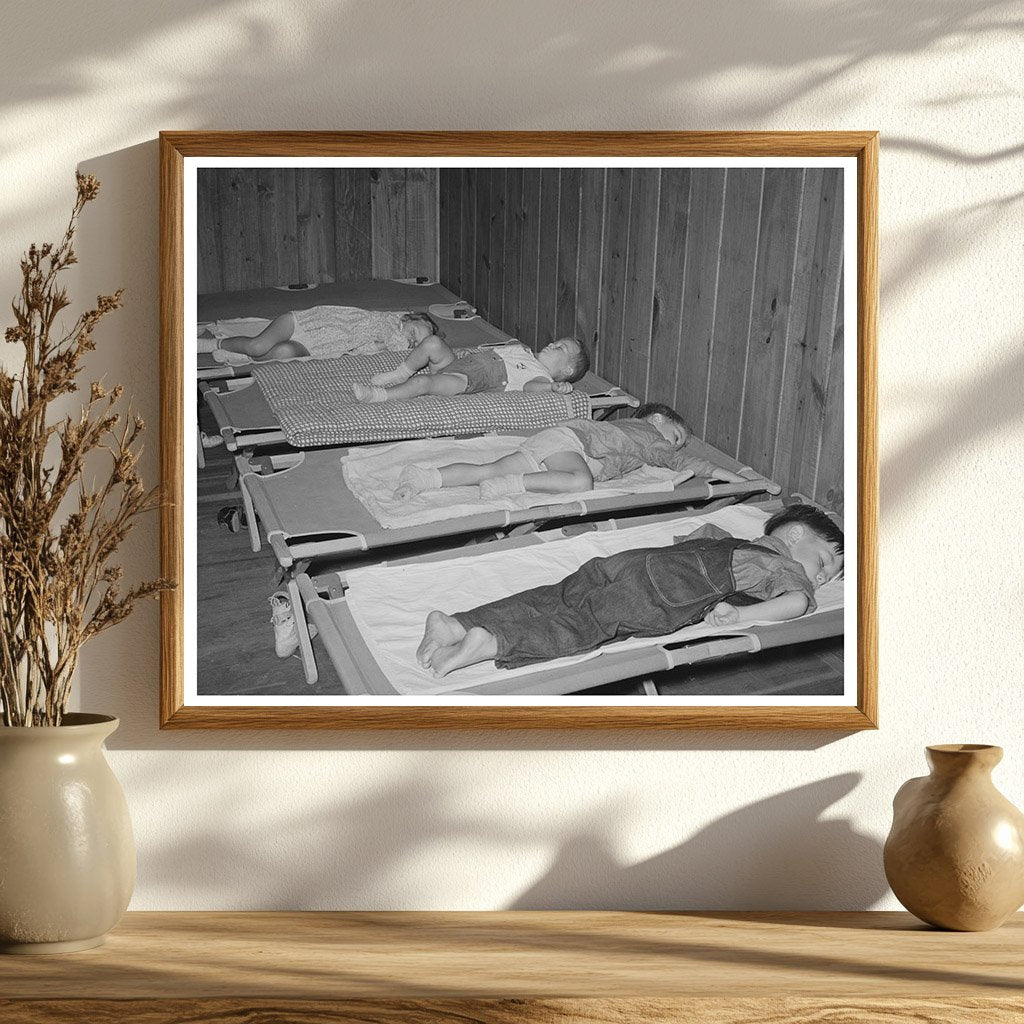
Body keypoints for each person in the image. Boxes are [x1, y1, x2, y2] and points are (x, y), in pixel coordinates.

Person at [416, 504, 844, 676]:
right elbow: (796, 602)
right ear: (794, 535)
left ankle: (456, 624)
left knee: (557, 595)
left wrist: (736, 600)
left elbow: (693, 544)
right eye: (825, 561)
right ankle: (491, 641)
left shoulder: (729, 537)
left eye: (829, 578)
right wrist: (745, 616)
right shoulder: (785, 567)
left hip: (636, 561)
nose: (820, 578)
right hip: (667, 592)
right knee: (585, 623)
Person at [393, 402, 758, 501]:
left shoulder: (637, 439)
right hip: (571, 443)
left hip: (554, 445)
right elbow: (675, 459)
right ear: (658, 419)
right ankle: (515, 484)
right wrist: (717, 471)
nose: (673, 444)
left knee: (486, 469)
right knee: (580, 483)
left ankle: (424, 478)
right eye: (676, 434)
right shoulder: (646, 433)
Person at [352, 336, 588, 403]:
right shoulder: (524, 351)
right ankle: (401, 372)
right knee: (433, 343)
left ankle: (378, 395)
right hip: (459, 364)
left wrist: (552, 387)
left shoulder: (539, 374)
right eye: (555, 341)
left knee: (423, 383)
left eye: (560, 348)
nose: (552, 343)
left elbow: (530, 388)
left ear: (566, 370)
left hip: (465, 380)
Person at [198, 307, 439, 364]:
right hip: (303, 324)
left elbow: (390, 349)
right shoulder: (388, 321)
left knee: (282, 353)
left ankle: (235, 354)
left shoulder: (387, 344)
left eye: (416, 342)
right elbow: (395, 340)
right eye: (414, 333)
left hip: (314, 348)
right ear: (407, 318)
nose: (411, 340)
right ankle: (210, 343)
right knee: (258, 345)